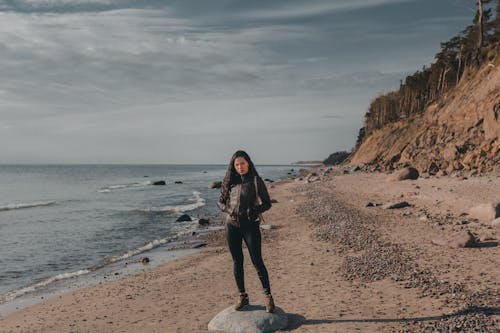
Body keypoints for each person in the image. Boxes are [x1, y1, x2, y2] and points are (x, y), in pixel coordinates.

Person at [217, 150, 275, 313]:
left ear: (248, 163)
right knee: (237, 261)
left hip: (250, 226)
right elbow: (220, 202)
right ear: (233, 166)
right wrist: (229, 210)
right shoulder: (230, 182)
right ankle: (243, 296)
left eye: (242, 163)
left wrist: (254, 210)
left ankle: (269, 297)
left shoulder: (256, 181)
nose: (240, 167)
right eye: (237, 164)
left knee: (257, 261)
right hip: (232, 226)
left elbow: (267, 203)